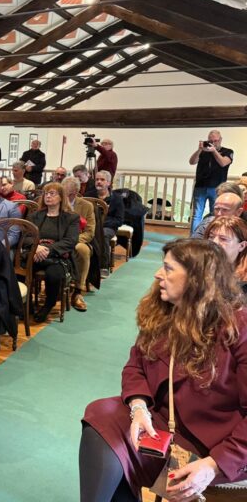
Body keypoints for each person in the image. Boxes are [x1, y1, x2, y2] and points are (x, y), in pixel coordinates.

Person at [80, 239, 247, 502]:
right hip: (163, 423)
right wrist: (138, 408)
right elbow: (135, 365)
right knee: (101, 418)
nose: (158, 274)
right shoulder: (163, 312)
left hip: (216, 445)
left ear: (198, 280)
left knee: (113, 447)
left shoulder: (239, 328)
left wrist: (213, 464)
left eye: (168, 269)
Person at [26, 182, 79, 323]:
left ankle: (48, 305)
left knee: (53, 275)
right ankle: (26, 303)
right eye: (46, 193)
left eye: (52, 193)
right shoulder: (34, 216)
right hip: (35, 254)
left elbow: (70, 241)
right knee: (20, 269)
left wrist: (47, 250)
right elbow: (26, 236)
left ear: (61, 197)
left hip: (58, 257)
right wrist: (36, 247)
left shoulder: (71, 218)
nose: (48, 196)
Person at [62, 177, 97, 312]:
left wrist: (72, 240)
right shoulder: (56, 202)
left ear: (75, 193)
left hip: (78, 240)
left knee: (82, 250)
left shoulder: (86, 206)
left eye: (68, 194)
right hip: (58, 239)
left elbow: (89, 232)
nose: (64, 197)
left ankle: (78, 291)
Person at [190, 130, 234, 233]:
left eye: (216, 141)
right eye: (211, 141)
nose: (213, 143)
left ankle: (212, 236)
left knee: (215, 214)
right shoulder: (203, 151)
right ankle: (193, 238)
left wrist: (214, 151)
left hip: (217, 188)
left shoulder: (228, 151)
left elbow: (223, 163)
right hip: (200, 186)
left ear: (220, 139)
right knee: (196, 215)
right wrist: (199, 150)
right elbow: (192, 162)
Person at [205, 216, 247, 291]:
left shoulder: (244, 283)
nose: (214, 242)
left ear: (241, 246)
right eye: (211, 237)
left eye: (223, 239)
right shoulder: (197, 268)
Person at [94, 170, 125, 271]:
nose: (99, 182)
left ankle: (103, 267)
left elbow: (119, 220)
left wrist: (102, 224)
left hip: (108, 227)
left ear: (108, 183)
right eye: (97, 179)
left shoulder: (117, 199)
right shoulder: (89, 195)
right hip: (90, 225)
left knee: (102, 234)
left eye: (102, 180)